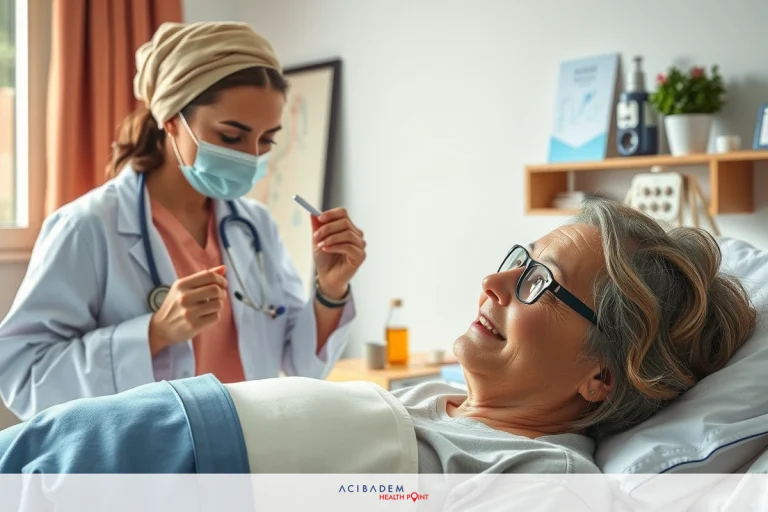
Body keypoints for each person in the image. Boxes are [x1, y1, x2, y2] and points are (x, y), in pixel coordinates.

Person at [0, 198, 756, 474]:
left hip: (189, 459)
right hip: (146, 436)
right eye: (515, 263)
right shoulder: (438, 400)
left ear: (601, 377)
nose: (493, 284)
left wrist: (329, 291)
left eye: (538, 285)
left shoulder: (546, 479)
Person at [0, 21, 367, 421]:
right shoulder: (88, 226)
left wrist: (331, 290)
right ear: (172, 119)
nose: (251, 156)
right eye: (231, 137)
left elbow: (302, 368)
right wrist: (154, 333)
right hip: (146, 467)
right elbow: (21, 374)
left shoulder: (255, 226)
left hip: (248, 452)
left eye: (267, 140)